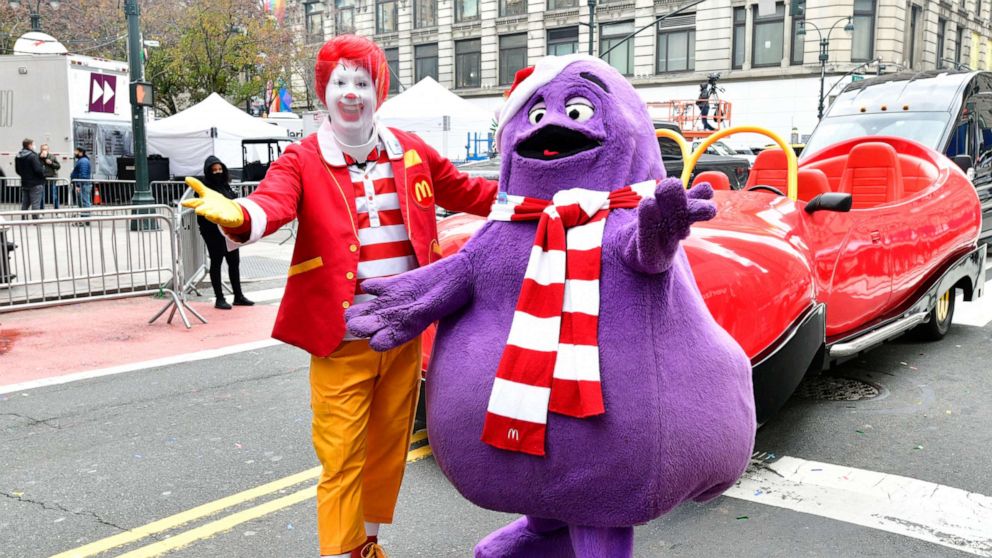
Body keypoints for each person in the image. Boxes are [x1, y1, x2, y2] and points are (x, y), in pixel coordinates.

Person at [184, 34, 498, 558]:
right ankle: (341, 553)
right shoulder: (302, 158)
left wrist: (537, 191)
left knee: (387, 451)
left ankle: (367, 544)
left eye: (362, 82)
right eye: (339, 83)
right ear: (323, 92)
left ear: (379, 90)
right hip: (341, 337)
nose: (351, 93)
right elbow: (272, 203)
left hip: (402, 332)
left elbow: (470, 192)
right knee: (341, 457)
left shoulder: (412, 151)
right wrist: (240, 217)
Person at [196, 156, 254, 310]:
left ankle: (238, 295)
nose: (218, 172)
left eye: (220, 169)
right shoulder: (204, 188)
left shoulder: (225, 185)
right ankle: (219, 297)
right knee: (217, 262)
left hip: (229, 231)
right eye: (214, 170)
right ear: (209, 171)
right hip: (213, 231)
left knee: (234, 262)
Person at [14, 139, 45, 218]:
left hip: (25, 182)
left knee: (25, 203)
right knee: (35, 203)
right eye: (33, 144)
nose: (34, 146)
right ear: (29, 145)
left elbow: (17, 170)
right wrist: (43, 175)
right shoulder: (32, 156)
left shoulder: (18, 156)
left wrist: (25, 176)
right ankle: (35, 221)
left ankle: (23, 219)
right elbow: (38, 170)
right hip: (35, 183)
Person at [70, 147, 92, 223]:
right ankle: (84, 218)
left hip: (83, 185)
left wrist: (78, 185)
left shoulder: (83, 161)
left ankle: (85, 219)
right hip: (82, 184)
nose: (74, 153)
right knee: (82, 202)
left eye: (76, 151)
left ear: (81, 152)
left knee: (84, 202)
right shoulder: (82, 160)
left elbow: (83, 175)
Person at [38, 144, 61, 209]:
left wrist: (51, 163)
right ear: (40, 150)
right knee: (41, 196)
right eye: (43, 149)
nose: (44, 150)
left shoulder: (52, 156)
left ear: (48, 150)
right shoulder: (37, 156)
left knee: (54, 196)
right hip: (41, 179)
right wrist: (40, 158)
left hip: (51, 179)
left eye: (45, 149)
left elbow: (58, 166)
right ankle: (41, 212)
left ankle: (57, 211)